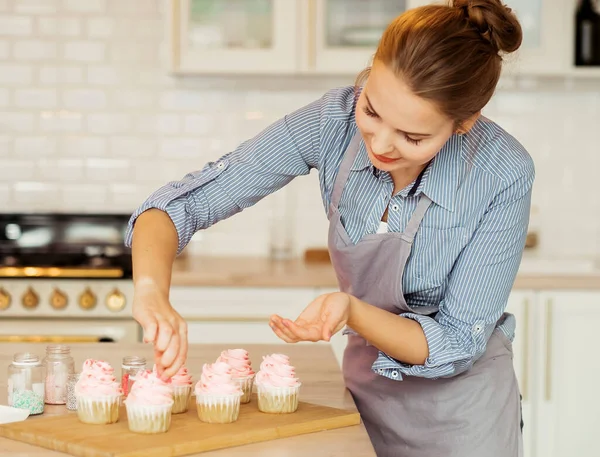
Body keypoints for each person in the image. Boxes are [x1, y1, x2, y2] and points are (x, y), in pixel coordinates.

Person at [125, 0, 534, 455]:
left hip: (463, 419)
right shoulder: (332, 122)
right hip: (362, 400)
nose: (378, 143)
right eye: (373, 111)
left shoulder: (502, 174)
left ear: (463, 124)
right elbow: (183, 204)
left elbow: (457, 341)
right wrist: (150, 291)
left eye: (412, 138)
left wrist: (352, 310)